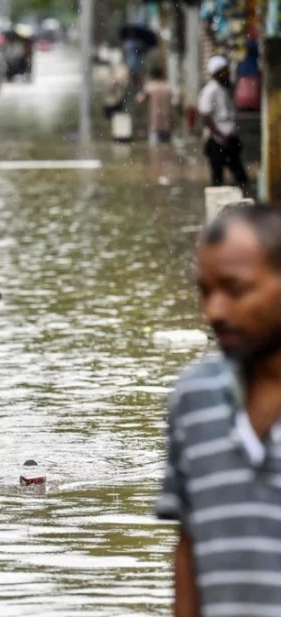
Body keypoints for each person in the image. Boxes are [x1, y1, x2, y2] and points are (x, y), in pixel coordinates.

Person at [156, 204, 281, 615]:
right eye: (205, 292)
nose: (215, 312)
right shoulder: (193, 398)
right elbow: (189, 548)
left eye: (236, 289)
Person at [198, 55, 249, 191]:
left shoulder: (226, 89)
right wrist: (220, 136)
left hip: (229, 140)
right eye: (224, 71)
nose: (227, 73)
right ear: (216, 73)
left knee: (241, 178)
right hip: (217, 142)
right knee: (218, 179)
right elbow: (205, 116)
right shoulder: (210, 91)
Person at [136, 65, 175, 146]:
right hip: (167, 123)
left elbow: (139, 100)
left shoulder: (150, 87)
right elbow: (176, 102)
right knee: (168, 151)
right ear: (162, 74)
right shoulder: (168, 87)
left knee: (155, 151)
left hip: (155, 124)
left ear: (152, 75)